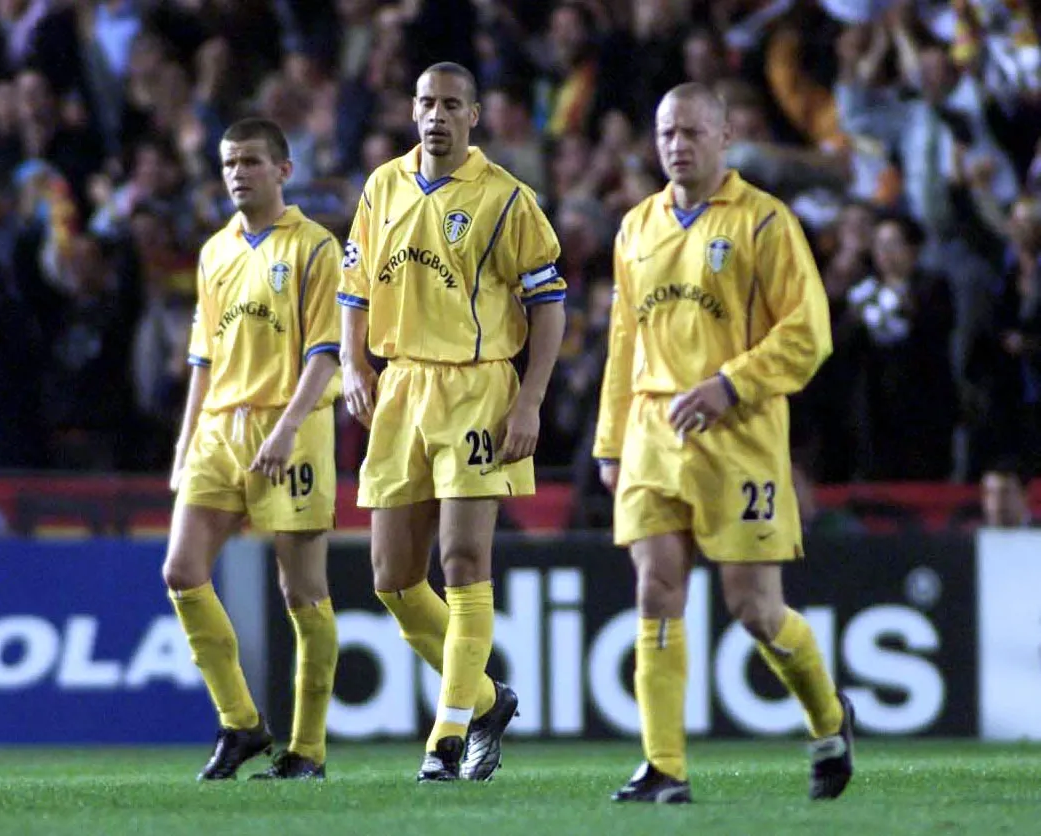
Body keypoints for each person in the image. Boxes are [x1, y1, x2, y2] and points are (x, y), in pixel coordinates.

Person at [593, 83, 855, 805]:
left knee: (754, 609)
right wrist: (610, 441)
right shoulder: (635, 226)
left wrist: (730, 384)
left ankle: (829, 719)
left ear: (725, 135)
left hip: (736, 436)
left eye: (692, 132)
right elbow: (624, 341)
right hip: (650, 433)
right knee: (655, 590)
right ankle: (664, 767)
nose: (678, 145)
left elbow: (809, 334)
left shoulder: (765, 223)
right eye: (666, 132)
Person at [338, 62, 566, 782]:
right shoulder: (383, 187)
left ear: (475, 116)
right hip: (401, 386)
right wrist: (352, 363)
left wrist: (529, 398)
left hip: (476, 388)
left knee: (463, 561)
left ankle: (447, 734)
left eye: (451, 105)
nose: (437, 116)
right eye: (427, 103)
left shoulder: (506, 199)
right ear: (413, 110)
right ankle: (490, 700)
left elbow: (549, 305)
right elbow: (353, 287)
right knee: (393, 580)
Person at [163, 118, 343, 781]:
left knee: (302, 591)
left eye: (251, 162)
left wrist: (289, 426)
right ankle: (240, 723)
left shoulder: (316, 248)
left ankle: (308, 750)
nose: (238, 174)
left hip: (289, 427)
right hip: (219, 427)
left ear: (283, 171)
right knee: (182, 572)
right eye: (229, 164)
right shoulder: (214, 252)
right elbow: (203, 359)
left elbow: (328, 353)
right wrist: (184, 444)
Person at [980, 457, 1035, 528]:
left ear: (1024, 496)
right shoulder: (971, 535)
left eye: (1005, 492)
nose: (997, 501)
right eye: (990, 493)